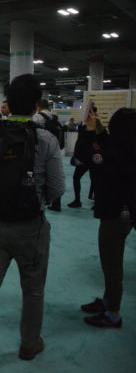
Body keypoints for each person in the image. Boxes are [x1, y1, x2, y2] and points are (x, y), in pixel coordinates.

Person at [0, 74, 64, 373]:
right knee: (33, 290)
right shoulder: (46, 139)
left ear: (6, 103)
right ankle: (29, 344)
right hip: (30, 227)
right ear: (36, 105)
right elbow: (58, 187)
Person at [75, 107, 136, 329]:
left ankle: (113, 314)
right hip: (122, 212)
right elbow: (108, 148)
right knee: (111, 263)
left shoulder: (117, 154)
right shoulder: (127, 147)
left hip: (115, 216)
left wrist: (89, 132)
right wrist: (99, 132)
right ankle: (109, 301)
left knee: (112, 265)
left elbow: (85, 155)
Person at [33, 99, 63, 212]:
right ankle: (56, 203)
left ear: (38, 106)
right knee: (54, 174)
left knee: (41, 175)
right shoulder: (53, 116)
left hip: (41, 151)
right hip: (54, 147)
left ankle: (44, 201)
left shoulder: (38, 117)